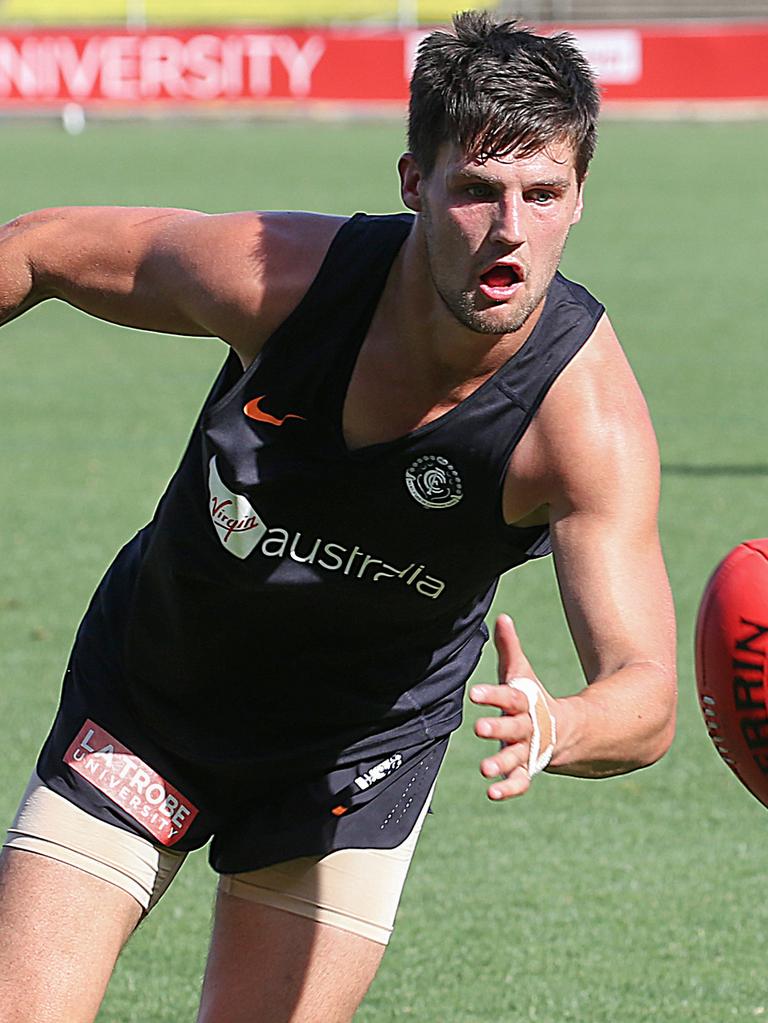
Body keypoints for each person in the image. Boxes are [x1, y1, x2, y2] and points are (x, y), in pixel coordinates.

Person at [0, 11, 677, 1023]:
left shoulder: (583, 426)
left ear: (580, 198)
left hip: (349, 769)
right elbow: (39, 248)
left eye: (544, 195)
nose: (510, 231)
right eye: (476, 191)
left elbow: (648, 693)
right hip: (149, 705)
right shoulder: (279, 281)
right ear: (412, 183)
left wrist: (557, 726)